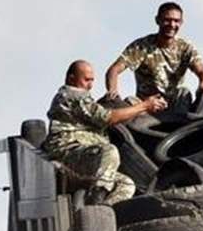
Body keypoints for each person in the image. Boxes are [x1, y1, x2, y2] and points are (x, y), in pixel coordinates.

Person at [44, 59, 164, 204]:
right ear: (71, 78)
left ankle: (100, 212)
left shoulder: (83, 99)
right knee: (109, 151)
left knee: (126, 184)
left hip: (85, 157)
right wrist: (145, 106)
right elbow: (108, 118)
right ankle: (96, 198)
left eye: (92, 80)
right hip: (68, 155)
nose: (90, 85)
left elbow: (101, 114)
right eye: (86, 80)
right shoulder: (73, 95)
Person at [106, 1, 203, 109]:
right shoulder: (141, 46)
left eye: (176, 21)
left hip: (174, 105)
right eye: (167, 20)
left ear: (181, 23)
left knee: (184, 93)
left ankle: (179, 123)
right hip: (147, 104)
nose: (172, 25)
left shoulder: (185, 48)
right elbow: (114, 70)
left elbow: (202, 71)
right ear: (157, 20)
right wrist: (113, 90)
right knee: (129, 102)